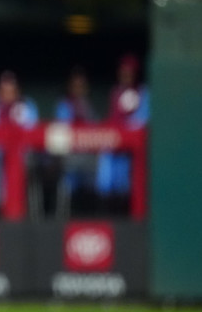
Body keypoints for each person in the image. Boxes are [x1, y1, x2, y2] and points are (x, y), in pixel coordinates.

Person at [0, 70, 39, 217]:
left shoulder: (27, 106)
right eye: (4, 90)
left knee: (21, 159)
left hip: (23, 155)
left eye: (11, 90)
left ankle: (18, 206)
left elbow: (36, 134)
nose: (7, 94)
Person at [96, 53, 149, 213]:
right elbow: (112, 118)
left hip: (136, 149)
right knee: (106, 159)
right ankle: (106, 208)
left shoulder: (144, 93)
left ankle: (132, 214)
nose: (125, 75)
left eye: (129, 72)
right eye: (123, 72)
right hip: (115, 146)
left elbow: (142, 121)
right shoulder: (115, 92)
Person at [52, 66, 99, 216]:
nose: (79, 89)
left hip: (89, 158)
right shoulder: (63, 105)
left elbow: (97, 132)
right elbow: (60, 134)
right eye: (76, 85)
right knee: (72, 170)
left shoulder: (89, 106)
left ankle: (93, 216)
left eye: (82, 85)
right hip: (70, 157)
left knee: (98, 169)